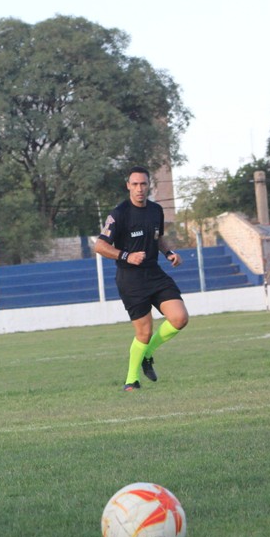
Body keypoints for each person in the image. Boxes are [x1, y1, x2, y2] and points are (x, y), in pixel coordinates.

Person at [93, 166, 189, 391]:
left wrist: (169, 254)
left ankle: (147, 354)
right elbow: (99, 245)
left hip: (154, 273)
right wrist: (126, 256)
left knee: (180, 318)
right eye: (134, 184)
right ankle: (131, 381)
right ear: (128, 186)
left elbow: (158, 239)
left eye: (143, 184)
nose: (139, 188)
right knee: (144, 333)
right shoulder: (119, 214)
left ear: (149, 186)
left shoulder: (156, 210)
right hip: (130, 279)